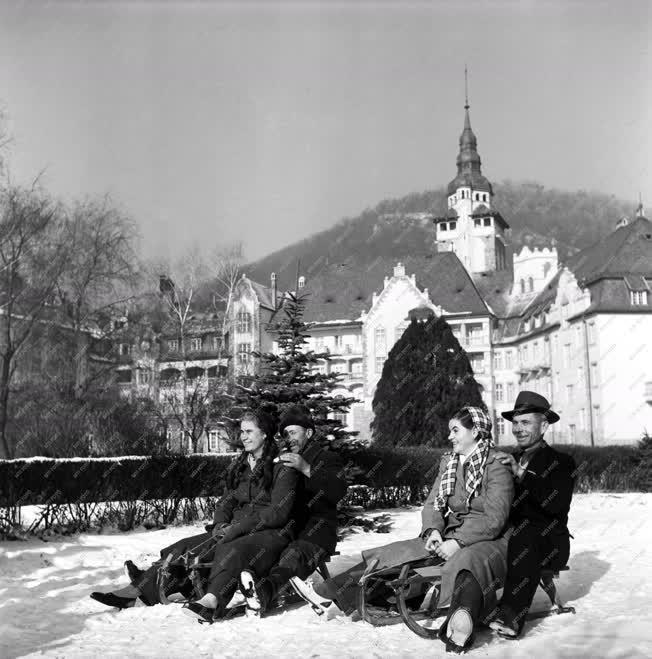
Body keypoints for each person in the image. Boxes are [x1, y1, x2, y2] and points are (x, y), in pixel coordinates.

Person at [314, 406, 514, 653]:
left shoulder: (496, 464)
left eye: (455, 430)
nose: (450, 436)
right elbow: (433, 504)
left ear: (475, 432)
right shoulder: (450, 462)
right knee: (401, 551)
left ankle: (462, 620)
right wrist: (433, 531)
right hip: (450, 533)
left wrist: (459, 542)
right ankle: (336, 589)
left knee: (465, 561)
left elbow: (495, 518)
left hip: (487, 538)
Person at [90, 407, 298, 621]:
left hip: (270, 534)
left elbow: (278, 512)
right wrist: (219, 523)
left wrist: (237, 528)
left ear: (264, 434)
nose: (243, 437)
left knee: (232, 549)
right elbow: (227, 500)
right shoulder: (242, 466)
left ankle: (211, 601)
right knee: (183, 546)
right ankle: (136, 592)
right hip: (235, 528)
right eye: (242, 431)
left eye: (249, 431)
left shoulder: (283, 467)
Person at [238, 404, 348, 615]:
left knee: (293, 555)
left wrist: (306, 468)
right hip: (287, 527)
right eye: (285, 434)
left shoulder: (326, 458)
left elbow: (338, 490)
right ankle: (246, 583)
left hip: (317, 530)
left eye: (293, 432)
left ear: (308, 432)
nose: (289, 438)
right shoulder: (282, 460)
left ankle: (265, 590)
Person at [490, 391, 576, 639]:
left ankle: (510, 616)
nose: (518, 429)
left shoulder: (562, 462)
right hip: (514, 539)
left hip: (550, 542)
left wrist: (520, 473)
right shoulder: (508, 458)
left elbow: (556, 504)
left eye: (526, 422)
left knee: (526, 533)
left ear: (544, 425)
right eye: (515, 423)